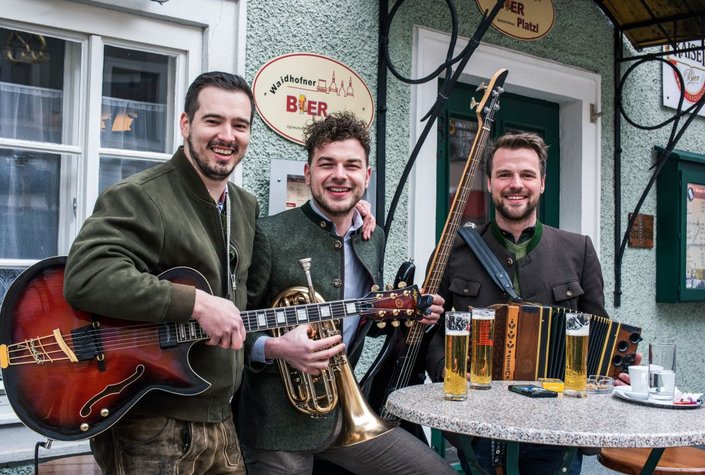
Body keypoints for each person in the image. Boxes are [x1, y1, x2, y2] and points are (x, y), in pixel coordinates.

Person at [236, 111, 456, 475]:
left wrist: (409, 315)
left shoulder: (374, 237)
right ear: (308, 173)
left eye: (352, 165)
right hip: (275, 424)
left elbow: (364, 316)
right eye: (327, 164)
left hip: (346, 411)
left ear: (366, 176)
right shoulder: (269, 235)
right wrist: (274, 348)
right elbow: (233, 325)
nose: (340, 175)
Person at [63, 71, 258, 474]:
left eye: (240, 125)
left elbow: (248, 299)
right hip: (150, 423)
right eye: (213, 120)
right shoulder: (141, 194)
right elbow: (87, 275)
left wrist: (348, 215)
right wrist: (197, 303)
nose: (227, 134)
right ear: (185, 124)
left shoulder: (246, 206)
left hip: (221, 420)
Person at [425, 132, 637, 475]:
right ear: (490, 183)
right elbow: (429, 333)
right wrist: (447, 372)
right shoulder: (452, 252)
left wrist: (617, 369)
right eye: (505, 175)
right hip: (477, 423)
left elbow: (599, 335)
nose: (515, 184)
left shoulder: (578, 250)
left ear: (541, 183)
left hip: (558, 428)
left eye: (526, 175)